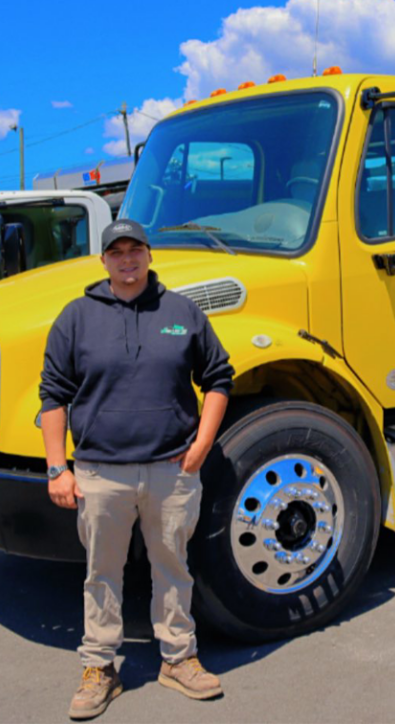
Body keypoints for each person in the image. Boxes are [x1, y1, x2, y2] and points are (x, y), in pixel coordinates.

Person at [39, 219, 233, 720]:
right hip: (101, 474)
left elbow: (218, 378)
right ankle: (99, 667)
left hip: (171, 471)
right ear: (102, 260)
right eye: (116, 252)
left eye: (135, 250)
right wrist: (58, 468)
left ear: (149, 255)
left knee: (173, 567)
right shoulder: (76, 317)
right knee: (102, 573)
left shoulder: (182, 311)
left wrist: (202, 445)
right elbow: (54, 395)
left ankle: (179, 658)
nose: (127, 260)